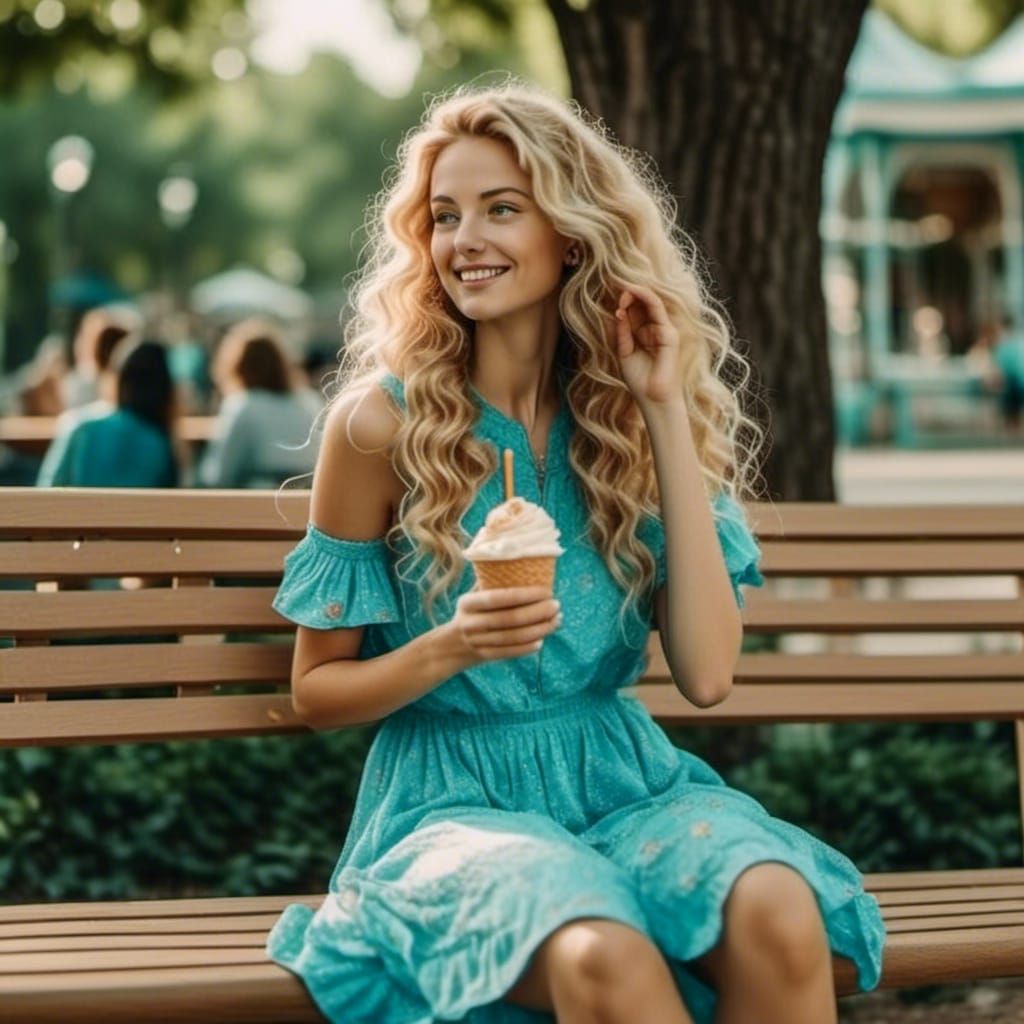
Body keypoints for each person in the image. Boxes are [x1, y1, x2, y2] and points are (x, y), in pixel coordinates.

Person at [265, 81, 885, 1024]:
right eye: (444, 217)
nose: (465, 239)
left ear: (572, 232)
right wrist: (452, 647)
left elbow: (710, 674)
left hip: (623, 784)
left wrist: (664, 406)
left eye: (501, 209)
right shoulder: (381, 427)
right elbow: (316, 692)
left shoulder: (622, 423)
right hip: (448, 806)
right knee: (600, 950)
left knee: (776, 909)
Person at [36, 338, 181, 488]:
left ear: (120, 380)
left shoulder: (79, 427)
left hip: (79, 511)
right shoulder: (159, 445)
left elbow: (47, 487)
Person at [196, 319, 322, 488]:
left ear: (237, 366)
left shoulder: (242, 405)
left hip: (258, 500)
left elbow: (219, 474)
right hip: (306, 500)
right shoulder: (310, 402)